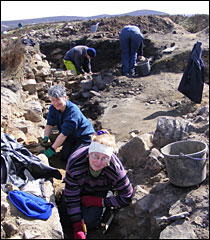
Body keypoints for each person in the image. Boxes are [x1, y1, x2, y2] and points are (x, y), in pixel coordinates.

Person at [58, 129, 134, 239]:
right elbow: (72, 198)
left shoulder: (115, 169)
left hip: (100, 192)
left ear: (109, 157)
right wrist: (78, 227)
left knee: (90, 222)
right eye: (95, 156)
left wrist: (100, 202)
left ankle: (106, 208)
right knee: (65, 219)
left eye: (104, 158)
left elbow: (126, 197)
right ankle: (65, 191)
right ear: (89, 153)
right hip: (79, 189)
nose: (98, 162)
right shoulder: (75, 162)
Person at [42, 84, 95, 162]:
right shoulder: (53, 108)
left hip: (84, 137)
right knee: (64, 157)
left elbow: (63, 135)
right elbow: (49, 125)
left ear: (65, 98)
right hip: (70, 137)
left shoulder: (73, 112)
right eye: (53, 100)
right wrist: (45, 138)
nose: (55, 103)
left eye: (58, 99)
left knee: (75, 158)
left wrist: (52, 149)